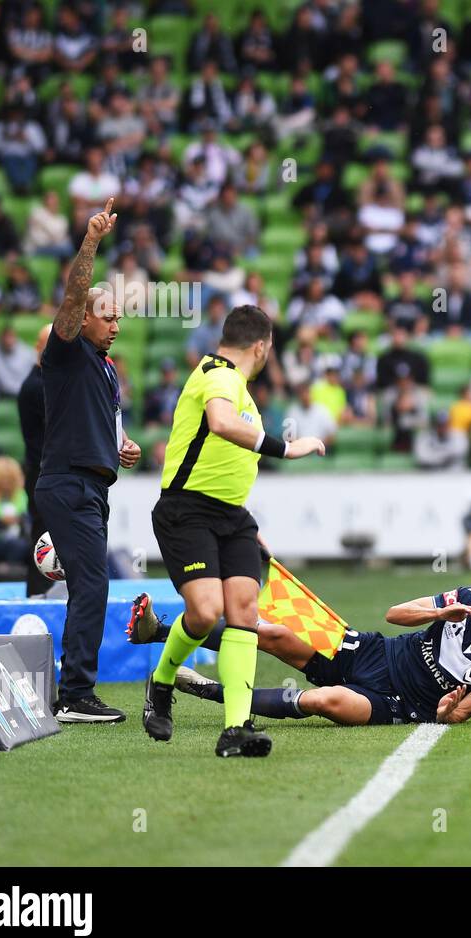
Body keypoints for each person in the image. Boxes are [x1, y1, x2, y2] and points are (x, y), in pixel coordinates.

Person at [142, 305, 327, 758]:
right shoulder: (218, 375)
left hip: (232, 516)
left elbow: (224, 462)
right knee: (205, 613)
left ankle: (236, 729)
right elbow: (222, 425)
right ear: (261, 346)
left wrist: (247, 528)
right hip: (187, 512)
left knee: (243, 611)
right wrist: (289, 448)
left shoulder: (236, 386)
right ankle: (162, 681)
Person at [128, 577, 471, 726]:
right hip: (375, 654)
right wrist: (439, 611)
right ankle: (159, 630)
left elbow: (458, 715)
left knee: (323, 701)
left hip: (399, 702)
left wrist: (446, 709)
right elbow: (394, 614)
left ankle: (204, 688)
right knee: (274, 634)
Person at [35, 198, 140, 723]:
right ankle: (75, 694)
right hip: (68, 483)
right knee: (92, 583)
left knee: (89, 583)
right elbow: (76, 292)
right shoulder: (68, 349)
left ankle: (75, 688)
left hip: (91, 485)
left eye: (118, 316)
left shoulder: (102, 366)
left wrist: (121, 446)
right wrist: (92, 241)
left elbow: (101, 421)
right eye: (107, 314)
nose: (114, 323)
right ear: (84, 319)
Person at [17, 324, 52, 597]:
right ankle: (38, 592)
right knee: (43, 536)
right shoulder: (36, 387)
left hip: (45, 471)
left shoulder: (46, 382)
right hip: (42, 473)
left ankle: (45, 590)